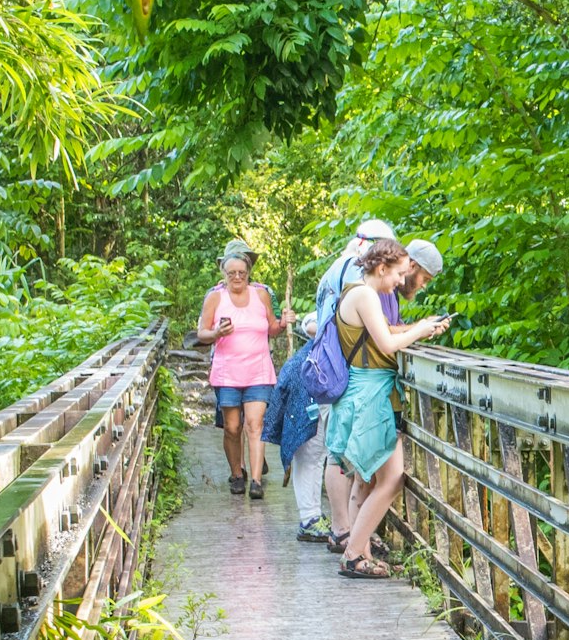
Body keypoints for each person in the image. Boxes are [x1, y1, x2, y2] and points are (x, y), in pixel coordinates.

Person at [322, 239, 452, 579]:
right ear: (381, 269)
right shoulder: (364, 295)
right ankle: (352, 554)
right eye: (397, 273)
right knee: (391, 478)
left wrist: (419, 330)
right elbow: (388, 343)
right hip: (369, 393)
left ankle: (359, 550)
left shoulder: (361, 293)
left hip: (369, 391)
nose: (400, 280)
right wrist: (421, 328)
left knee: (366, 479)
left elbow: (385, 333)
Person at [280, 216, 396, 541]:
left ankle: (342, 529)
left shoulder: (336, 268)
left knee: (331, 450)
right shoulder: (354, 272)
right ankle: (344, 531)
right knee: (337, 452)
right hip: (343, 371)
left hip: (324, 367)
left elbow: (317, 321)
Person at [191, 243, 286, 501]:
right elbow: (201, 333)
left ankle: (256, 481)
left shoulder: (262, 294)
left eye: (241, 272)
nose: (237, 277)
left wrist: (283, 324)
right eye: (231, 272)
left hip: (258, 371)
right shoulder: (215, 297)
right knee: (232, 427)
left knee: (255, 425)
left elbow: (272, 328)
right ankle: (237, 474)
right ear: (223, 273)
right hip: (227, 373)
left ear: (248, 272)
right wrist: (216, 333)